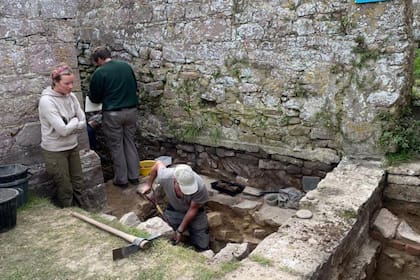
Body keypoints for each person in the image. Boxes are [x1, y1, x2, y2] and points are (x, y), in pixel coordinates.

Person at [88, 46, 139, 188]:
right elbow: (135, 86)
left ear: (99, 59)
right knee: (129, 142)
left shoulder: (100, 72)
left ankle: (122, 179)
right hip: (131, 111)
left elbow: (95, 97)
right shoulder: (126, 66)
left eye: (96, 61)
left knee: (116, 146)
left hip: (113, 113)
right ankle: (134, 176)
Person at [38, 63, 86, 207]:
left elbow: (83, 121)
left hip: (72, 145)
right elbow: (62, 130)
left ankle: (84, 211)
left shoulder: (71, 97)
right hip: (55, 150)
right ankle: (69, 214)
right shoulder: (47, 101)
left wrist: (73, 123)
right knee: (65, 186)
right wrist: (75, 122)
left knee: (78, 181)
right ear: (56, 82)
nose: (71, 87)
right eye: (67, 83)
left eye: (72, 83)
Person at [137, 161, 210, 251]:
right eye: (183, 188)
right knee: (164, 233)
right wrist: (148, 184)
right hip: (175, 209)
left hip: (196, 213)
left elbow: (193, 209)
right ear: (175, 180)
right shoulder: (166, 176)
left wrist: (180, 230)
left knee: (203, 245)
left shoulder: (200, 187)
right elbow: (157, 164)